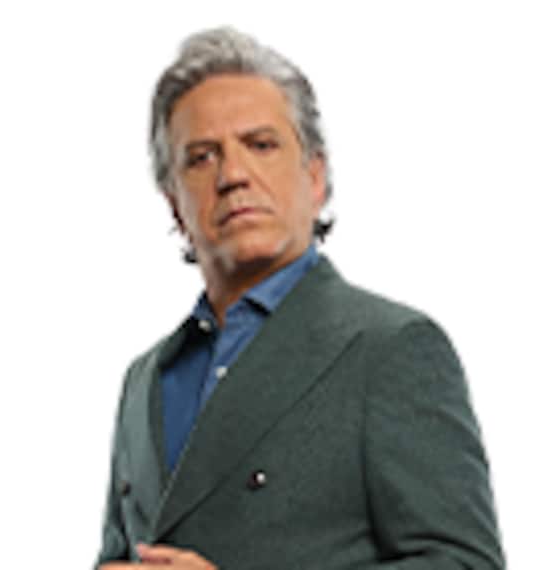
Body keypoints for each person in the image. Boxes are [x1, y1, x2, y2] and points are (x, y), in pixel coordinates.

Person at [94, 27, 506, 570]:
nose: (233, 175)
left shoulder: (391, 349)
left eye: (260, 145)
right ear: (174, 204)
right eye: (201, 157)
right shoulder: (145, 379)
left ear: (315, 177)